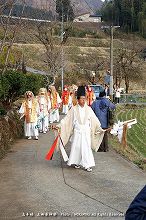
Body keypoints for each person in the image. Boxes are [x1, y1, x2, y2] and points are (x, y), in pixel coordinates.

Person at [55, 86, 105, 172]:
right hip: (77, 132)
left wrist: (99, 128)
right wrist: (59, 126)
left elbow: (95, 120)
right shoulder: (73, 109)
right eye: (81, 99)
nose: (83, 101)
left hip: (86, 132)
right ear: (78, 100)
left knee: (86, 148)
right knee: (76, 147)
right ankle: (76, 162)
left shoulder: (89, 109)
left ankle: (87, 165)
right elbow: (66, 120)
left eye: (84, 99)